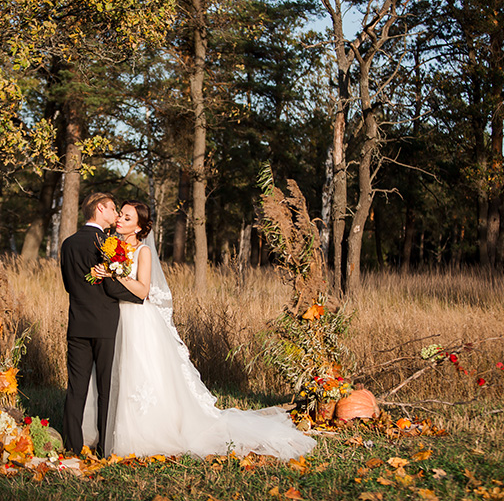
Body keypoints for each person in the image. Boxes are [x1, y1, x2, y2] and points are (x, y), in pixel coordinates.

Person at [85, 200, 317, 460]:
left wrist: (116, 275)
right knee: (114, 370)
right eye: (121, 216)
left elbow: (143, 290)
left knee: (139, 371)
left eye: (127, 218)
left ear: (139, 227)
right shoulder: (111, 246)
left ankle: (143, 434)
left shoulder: (143, 252)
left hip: (138, 319)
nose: (120, 220)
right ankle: (105, 431)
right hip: (115, 316)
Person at [59, 192, 144, 457]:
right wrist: (139, 297)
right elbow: (110, 286)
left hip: (77, 323)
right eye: (113, 209)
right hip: (105, 324)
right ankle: (105, 448)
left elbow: (68, 285)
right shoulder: (106, 243)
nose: (117, 215)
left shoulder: (68, 243)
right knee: (106, 388)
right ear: (100, 209)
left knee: (76, 387)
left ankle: (71, 446)